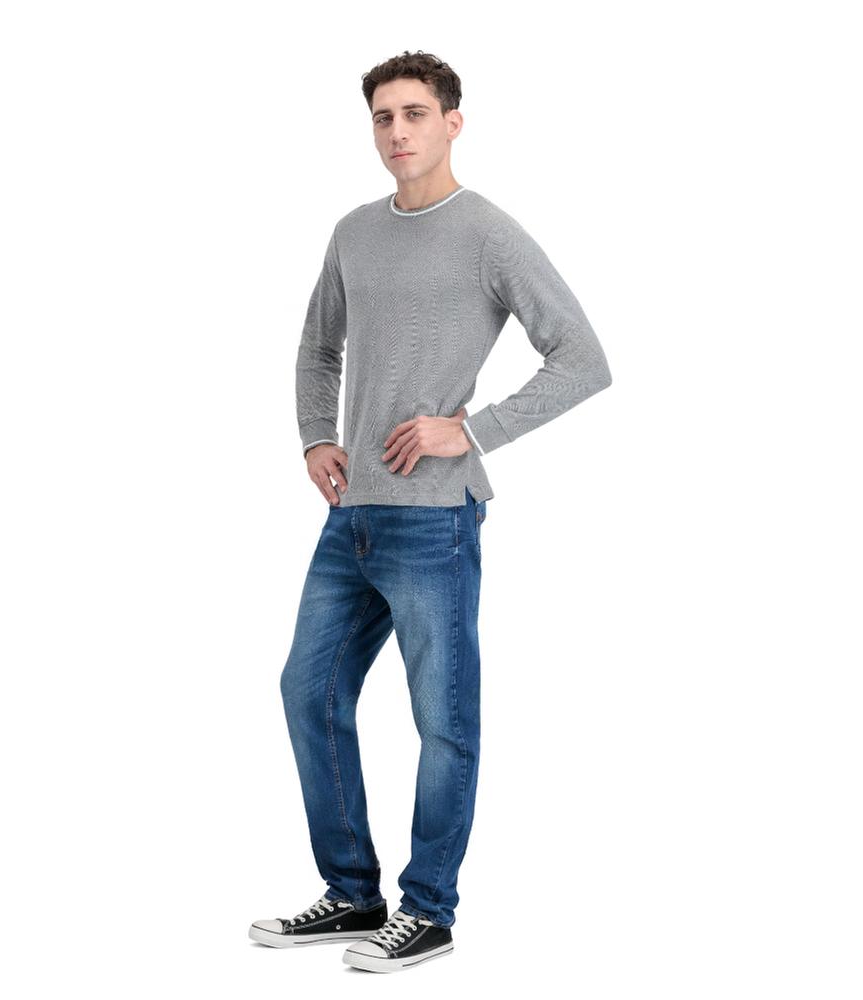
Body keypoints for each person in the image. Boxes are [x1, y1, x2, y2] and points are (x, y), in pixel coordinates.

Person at [249, 50, 613, 973]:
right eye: (383, 116)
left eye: (414, 113)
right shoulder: (353, 232)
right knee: (308, 691)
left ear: (453, 122)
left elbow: (582, 358)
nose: (397, 131)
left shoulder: (488, 233)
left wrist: (472, 430)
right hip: (354, 513)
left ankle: (429, 910)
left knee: (443, 719)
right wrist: (314, 436)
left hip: (434, 519)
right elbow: (317, 348)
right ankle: (351, 893)